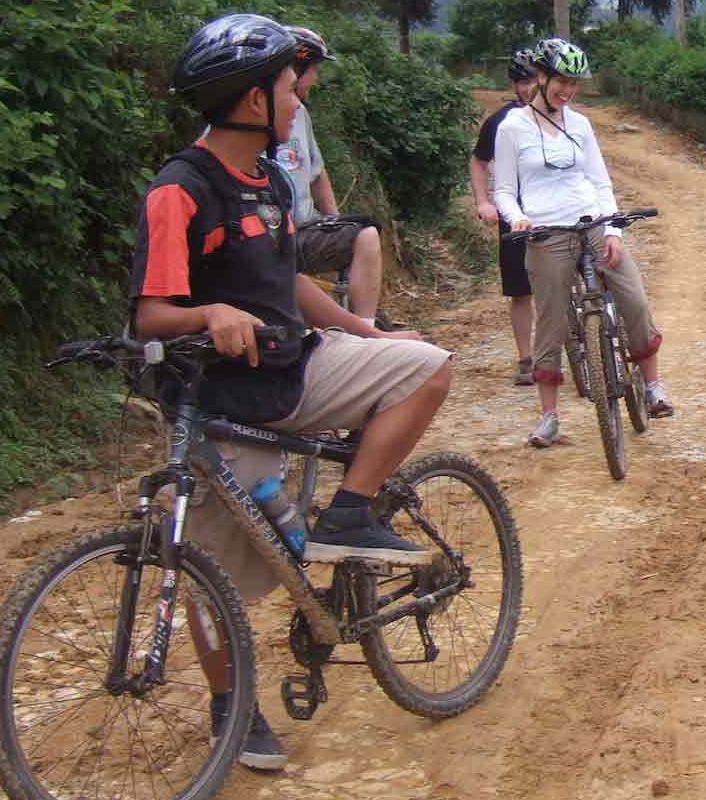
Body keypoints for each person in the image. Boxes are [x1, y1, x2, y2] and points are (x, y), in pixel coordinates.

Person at [134, 13, 451, 770]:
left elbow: (290, 286)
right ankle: (231, 709)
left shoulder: (272, 181)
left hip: (298, 370)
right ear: (252, 102)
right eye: (287, 87)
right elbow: (150, 313)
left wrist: (367, 333)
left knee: (428, 365)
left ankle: (348, 512)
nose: (298, 100)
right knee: (210, 579)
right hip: (223, 402)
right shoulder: (179, 192)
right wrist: (207, 313)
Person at [492, 38, 673, 447]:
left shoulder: (580, 125)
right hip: (545, 232)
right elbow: (503, 190)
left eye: (574, 84)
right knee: (551, 324)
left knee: (635, 300)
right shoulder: (512, 128)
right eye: (561, 81)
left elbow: (599, 182)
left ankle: (652, 385)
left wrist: (612, 231)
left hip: (591, 221)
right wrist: (517, 217)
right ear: (541, 77)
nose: (567, 91)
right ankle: (549, 416)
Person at [276, 25, 392, 330]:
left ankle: (364, 329)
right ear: (296, 68)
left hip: (303, 229)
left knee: (364, 233)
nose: (317, 78)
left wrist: (335, 221)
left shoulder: (299, 113)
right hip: (267, 235)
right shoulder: (254, 118)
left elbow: (317, 172)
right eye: (314, 69)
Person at [471, 47, 543, 385]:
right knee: (520, 290)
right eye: (524, 81)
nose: (531, 88)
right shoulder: (499, 122)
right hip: (514, 213)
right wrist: (484, 201)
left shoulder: (560, 116)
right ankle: (526, 358)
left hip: (553, 209)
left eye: (536, 80)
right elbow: (479, 161)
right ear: (515, 84)